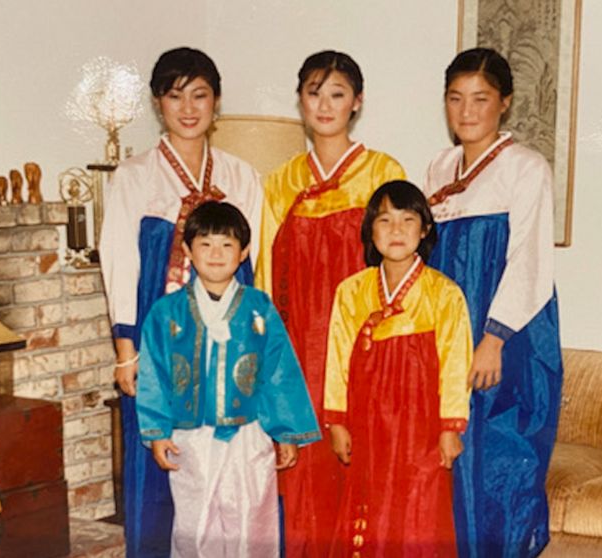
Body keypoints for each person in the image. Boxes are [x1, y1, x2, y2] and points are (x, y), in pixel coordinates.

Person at [98, 47, 263, 558]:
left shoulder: (240, 177)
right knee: (160, 460)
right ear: (157, 103)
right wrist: (127, 351)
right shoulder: (135, 176)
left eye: (199, 95)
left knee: (227, 470)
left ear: (216, 102)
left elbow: (253, 269)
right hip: (158, 341)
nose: (188, 108)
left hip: (227, 347)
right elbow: (120, 264)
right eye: (175, 96)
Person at [255, 50, 406, 558]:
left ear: (356, 103)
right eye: (314, 92)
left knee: (366, 478)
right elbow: (266, 282)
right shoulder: (278, 183)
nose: (324, 105)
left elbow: (402, 270)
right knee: (303, 485)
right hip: (299, 356)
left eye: (337, 94)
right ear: (300, 100)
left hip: (364, 353)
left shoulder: (382, 173)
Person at [422, 48, 563, 558]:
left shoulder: (525, 168)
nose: (467, 112)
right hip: (449, 329)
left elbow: (528, 259)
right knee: (447, 457)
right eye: (456, 99)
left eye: (480, 99)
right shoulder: (439, 167)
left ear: (504, 102)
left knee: (498, 463)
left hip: (507, 334)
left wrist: (493, 339)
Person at [137, 201, 320, 558]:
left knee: (252, 521)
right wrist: (157, 431)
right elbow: (153, 375)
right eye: (205, 244)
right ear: (188, 250)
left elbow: (278, 372)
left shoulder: (259, 308)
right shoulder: (166, 312)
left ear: (244, 252)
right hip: (191, 436)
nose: (216, 254)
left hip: (248, 435)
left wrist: (285, 432)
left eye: (227, 244)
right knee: (195, 523)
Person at [324, 180, 472, 556]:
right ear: (370, 230)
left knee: (418, 515)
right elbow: (337, 358)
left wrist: (450, 428)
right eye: (385, 220)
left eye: (408, 220)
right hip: (367, 423)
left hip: (420, 429)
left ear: (424, 230)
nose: (396, 230)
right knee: (368, 507)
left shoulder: (444, 293)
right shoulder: (351, 291)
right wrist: (337, 421)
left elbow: (456, 365)